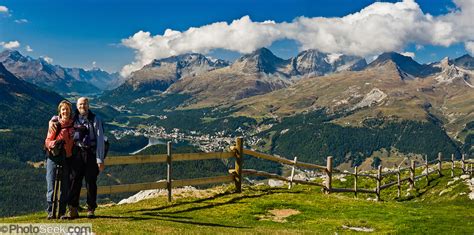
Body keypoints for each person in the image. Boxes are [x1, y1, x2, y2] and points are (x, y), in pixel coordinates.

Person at [66, 97, 106, 219]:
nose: (82, 106)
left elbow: (100, 140)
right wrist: (52, 120)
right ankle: (73, 209)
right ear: (77, 106)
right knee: (74, 180)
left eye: (84, 104)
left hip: (91, 153)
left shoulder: (95, 119)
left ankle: (91, 209)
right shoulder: (73, 119)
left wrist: (100, 159)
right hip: (77, 152)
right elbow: (60, 120)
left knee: (90, 181)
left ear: (88, 105)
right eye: (80, 104)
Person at [44, 100, 74, 219]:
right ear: (60, 112)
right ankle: (51, 211)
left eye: (67, 109)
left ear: (70, 111)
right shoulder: (55, 124)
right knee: (51, 184)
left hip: (67, 158)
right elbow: (47, 141)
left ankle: (61, 211)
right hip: (54, 158)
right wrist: (55, 144)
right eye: (63, 109)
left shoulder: (73, 124)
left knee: (65, 186)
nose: (65, 111)